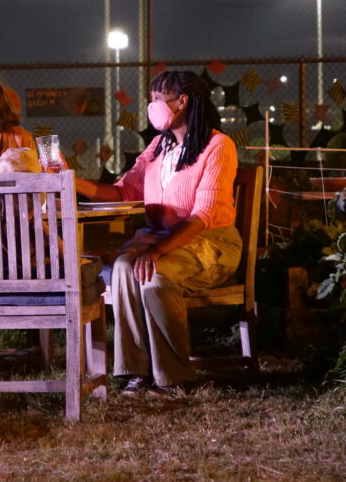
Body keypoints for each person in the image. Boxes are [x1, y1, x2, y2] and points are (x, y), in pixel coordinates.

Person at [75, 70, 242, 396]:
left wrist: (156, 251)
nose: (151, 107)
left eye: (157, 99)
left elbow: (203, 215)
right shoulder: (157, 147)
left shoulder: (217, 146)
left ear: (182, 102)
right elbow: (123, 191)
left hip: (211, 242)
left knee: (156, 275)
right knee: (123, 268)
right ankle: (137, 371)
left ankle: (174, 377)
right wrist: (72, 179)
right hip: (162, 240)